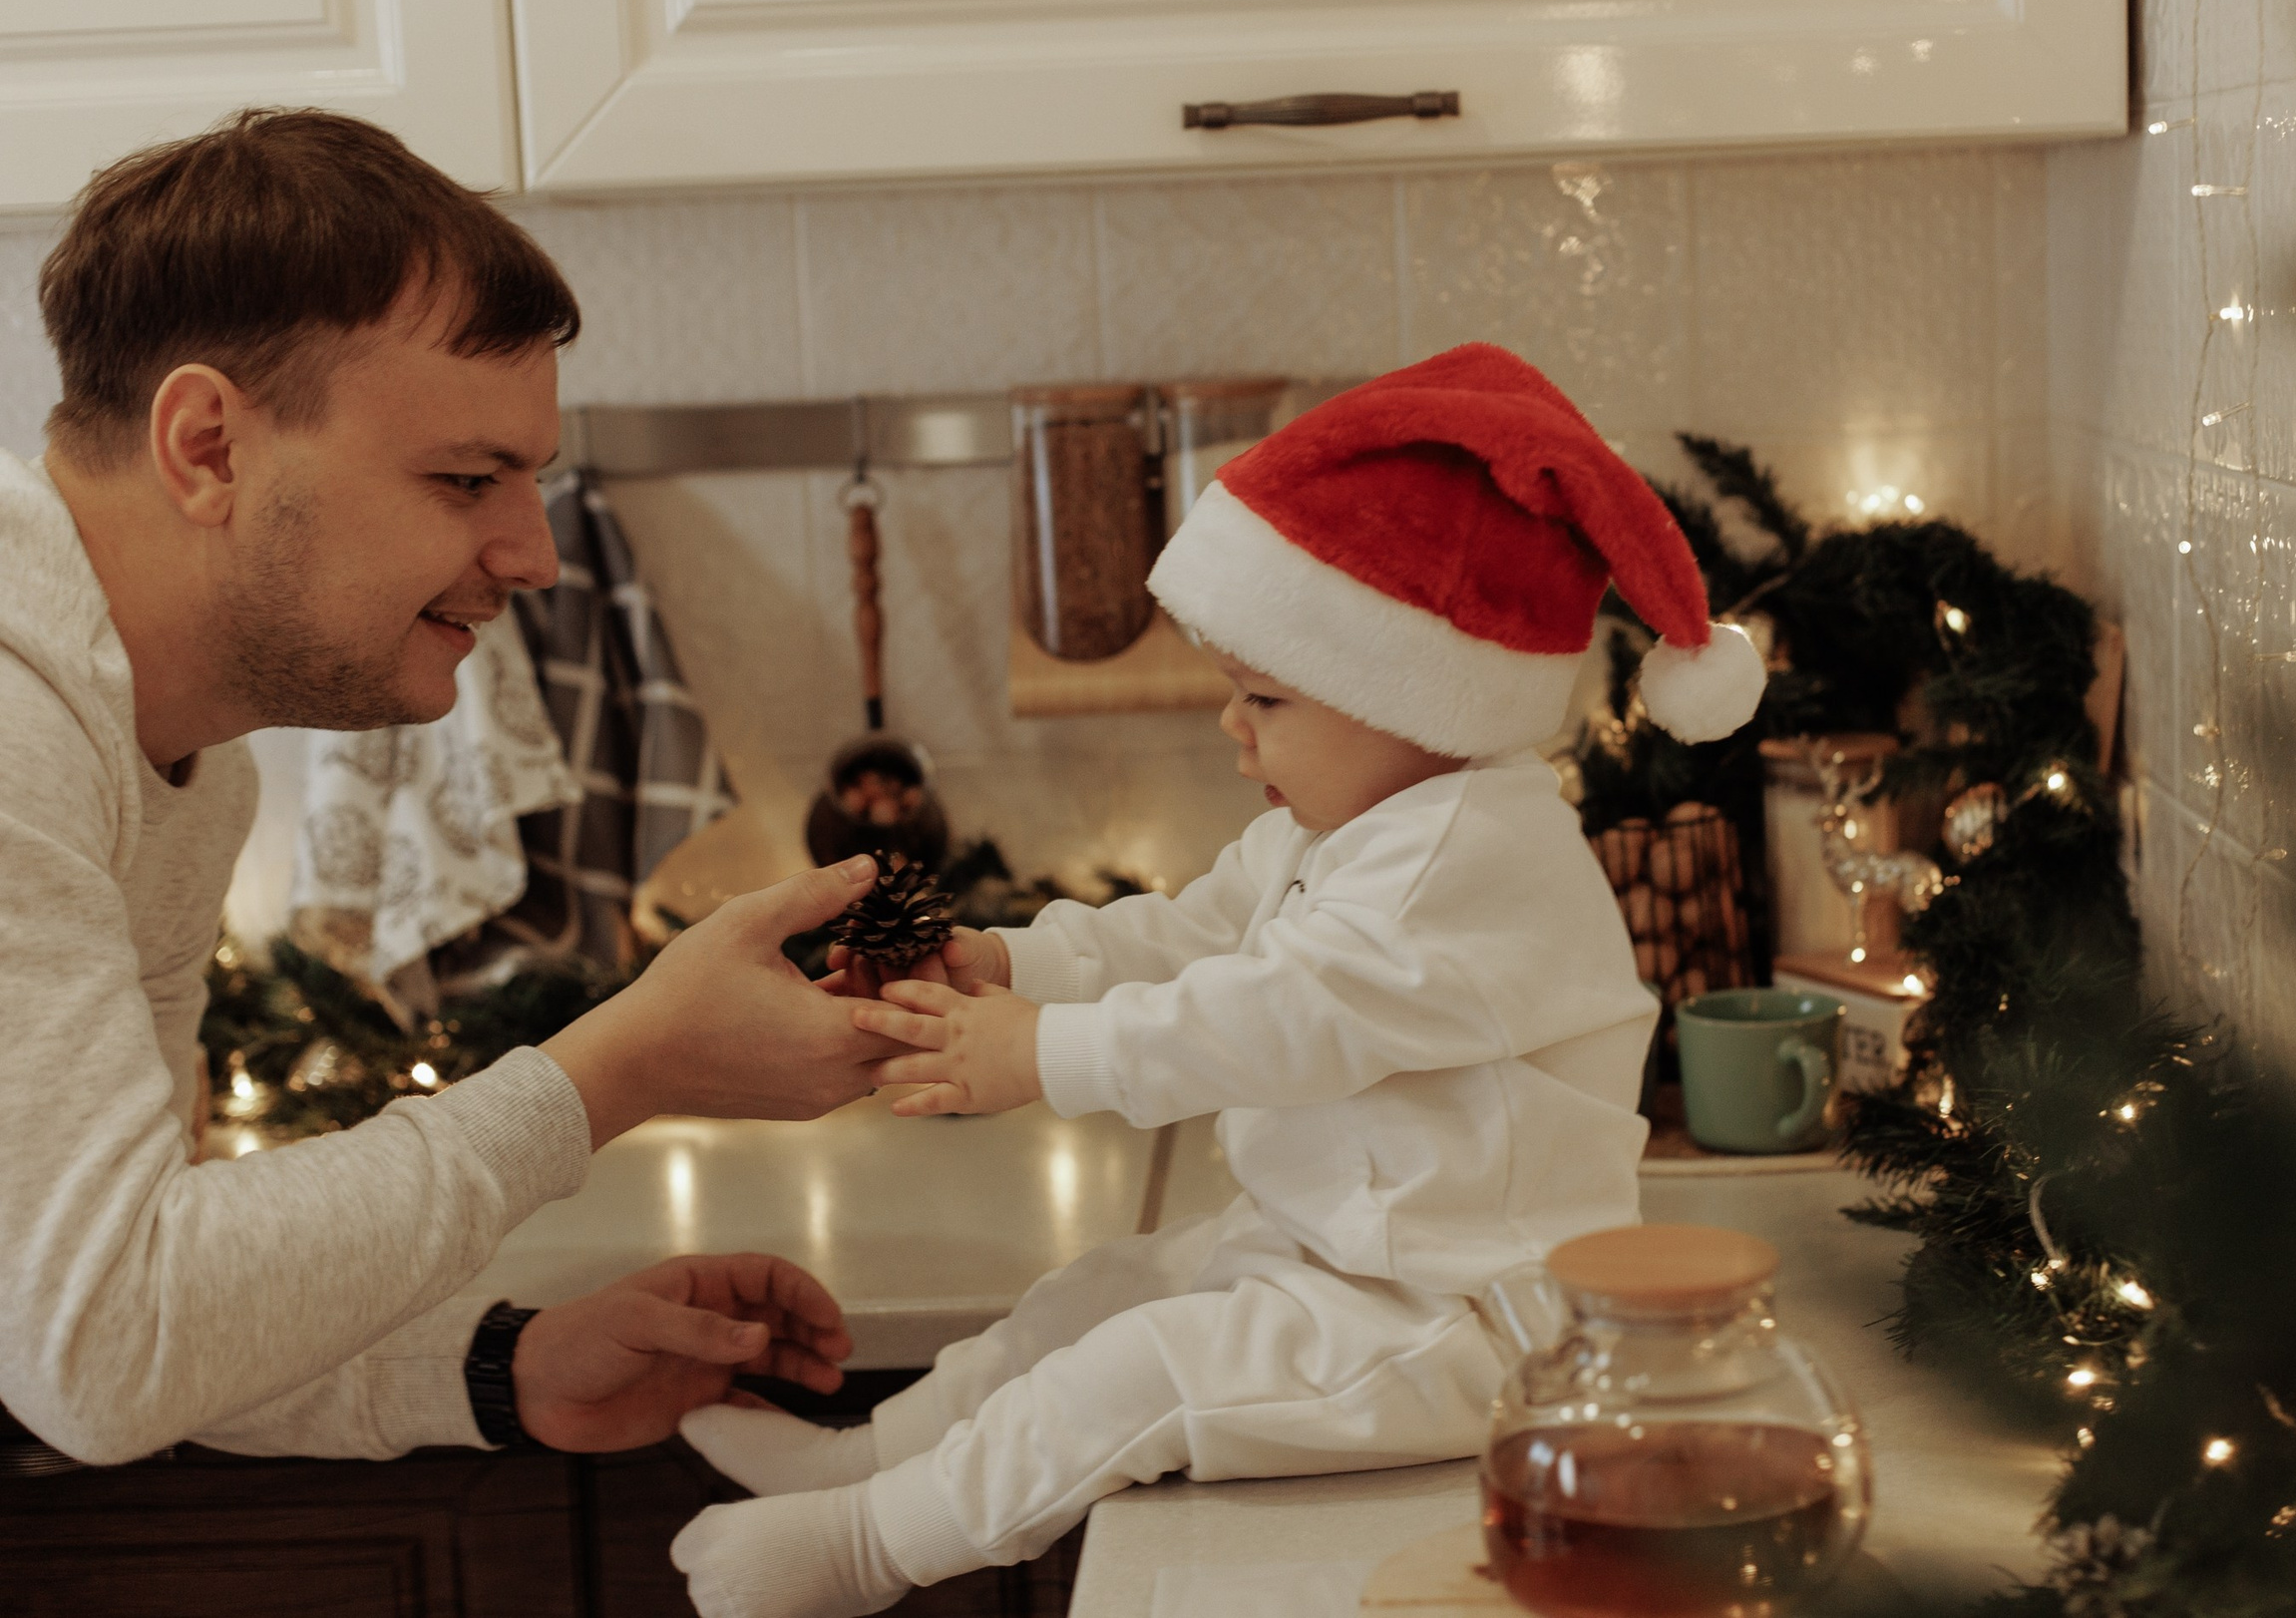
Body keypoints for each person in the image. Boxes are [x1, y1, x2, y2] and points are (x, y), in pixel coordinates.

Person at [666, 343, 1772, 1616]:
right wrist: (1006, 965)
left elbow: (1283, 1020)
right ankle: (870, 1457)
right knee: (1092, 1297)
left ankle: (868, 1547)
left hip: (1468, 1321)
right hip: (1329, 1258)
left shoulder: (1469, 864)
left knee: (1143, 1372)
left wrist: (1046, 1054)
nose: (1230, 727)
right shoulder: (1340, 832)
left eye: (1264, 695)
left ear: (1414, 696)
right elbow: (1193, 937)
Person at [0, 109, 900, 1470]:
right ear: (207, 447)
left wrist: (495, 1369)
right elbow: (100, 1347)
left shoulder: (179, 752)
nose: (532, 554)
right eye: (466, 478)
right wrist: (619, 1061)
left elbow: (117, 1280)